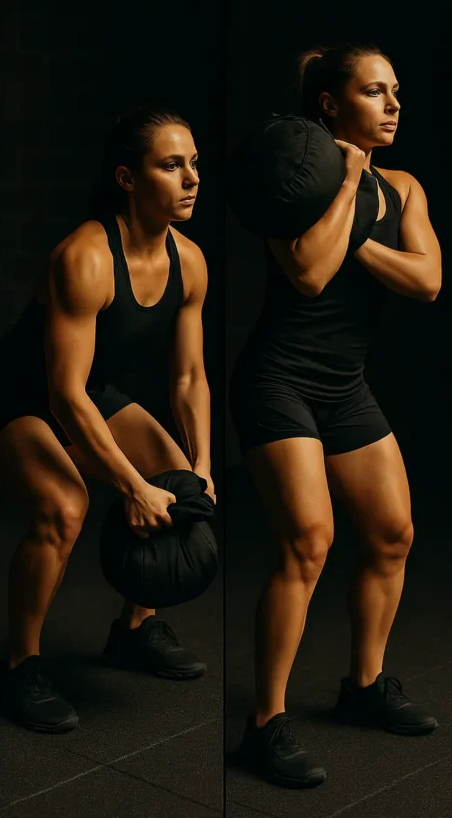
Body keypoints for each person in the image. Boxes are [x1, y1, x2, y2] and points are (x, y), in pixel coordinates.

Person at [230, 44, 442, 788]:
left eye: (395, 92)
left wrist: (351, 222)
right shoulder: (287, 178)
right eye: (373, 92)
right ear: (328, 104)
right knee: (309, 542)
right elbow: (310, 277)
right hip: (276, 380)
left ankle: (361, 687)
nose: (391, 106)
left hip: (344, 384)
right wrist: (347, 179)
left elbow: (426, 281)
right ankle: (265, 723)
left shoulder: (405, 187)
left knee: (392, 534)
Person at [0, 108, 215, 733]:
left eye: (194, 163)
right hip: (25, 394)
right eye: (171, 165)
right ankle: (22, 664)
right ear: (127, 177)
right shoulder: (86, 257)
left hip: (92, 390)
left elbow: (188, 378)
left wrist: (197, 469)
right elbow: (64, 395)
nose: (191, 178)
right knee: (64, 506)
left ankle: (133, 629)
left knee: (176, 477)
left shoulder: (191, 261)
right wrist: (129, 487)